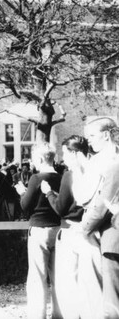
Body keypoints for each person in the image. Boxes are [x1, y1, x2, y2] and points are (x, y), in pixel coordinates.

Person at [40, 135, 101, 319]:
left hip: (70, 232)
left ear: (74, 153)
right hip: (91, 232)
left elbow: (60, 208)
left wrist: (49, 192)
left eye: (65, 153)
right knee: (89, 284)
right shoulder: (95, 171)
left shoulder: (70, 174)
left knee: (68, 284)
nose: (63, 158)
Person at [18, 143, 62, 319]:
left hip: (38, 229)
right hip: (58, 229)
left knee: (38, 276)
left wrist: (22, 192)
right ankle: (60, 314)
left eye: (34, 158)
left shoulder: (36, 178)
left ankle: (38, 315)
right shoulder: (62, 177)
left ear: (41, 159)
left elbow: (25, 206)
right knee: (58, 276)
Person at [81, 117, 119, 319]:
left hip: (112, 238)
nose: (89, 141)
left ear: (106, 135)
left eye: (92, 136)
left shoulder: (113, 165)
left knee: (112, 301)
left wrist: (85, 228)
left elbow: (102, 204)